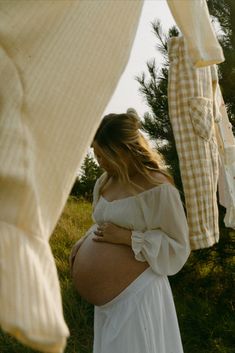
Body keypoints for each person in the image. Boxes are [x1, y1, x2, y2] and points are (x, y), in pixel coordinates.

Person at [70, 108, 190, 353]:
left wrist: (128, 238)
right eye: (95, 154)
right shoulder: (104, 181)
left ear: (123, 151)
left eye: (103, 155)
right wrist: (83, 242)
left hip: (139, 298)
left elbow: (178, 246)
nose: (98, 161)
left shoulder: (159, 189)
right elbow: (102, 222)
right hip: (107, 306)